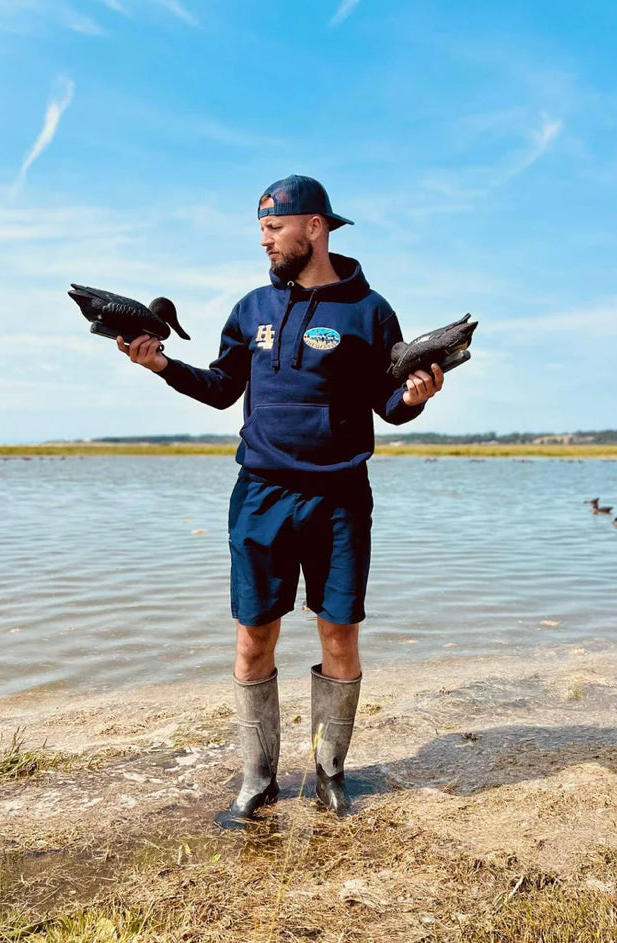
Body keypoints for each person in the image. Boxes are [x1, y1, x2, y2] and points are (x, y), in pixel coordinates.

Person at [118, 174, 443, 825]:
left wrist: (414, 395)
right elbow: (218, 388)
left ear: (313, 228)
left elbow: (389, 402)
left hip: (341, 497)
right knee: (252, 640)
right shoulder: (250, 310)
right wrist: (160, 365)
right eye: (261, 229)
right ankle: (259, 779)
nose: (264, 240)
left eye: (274, 228)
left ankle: (329, 773)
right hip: (261, 493)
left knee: (339, 637)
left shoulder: (370, 310)